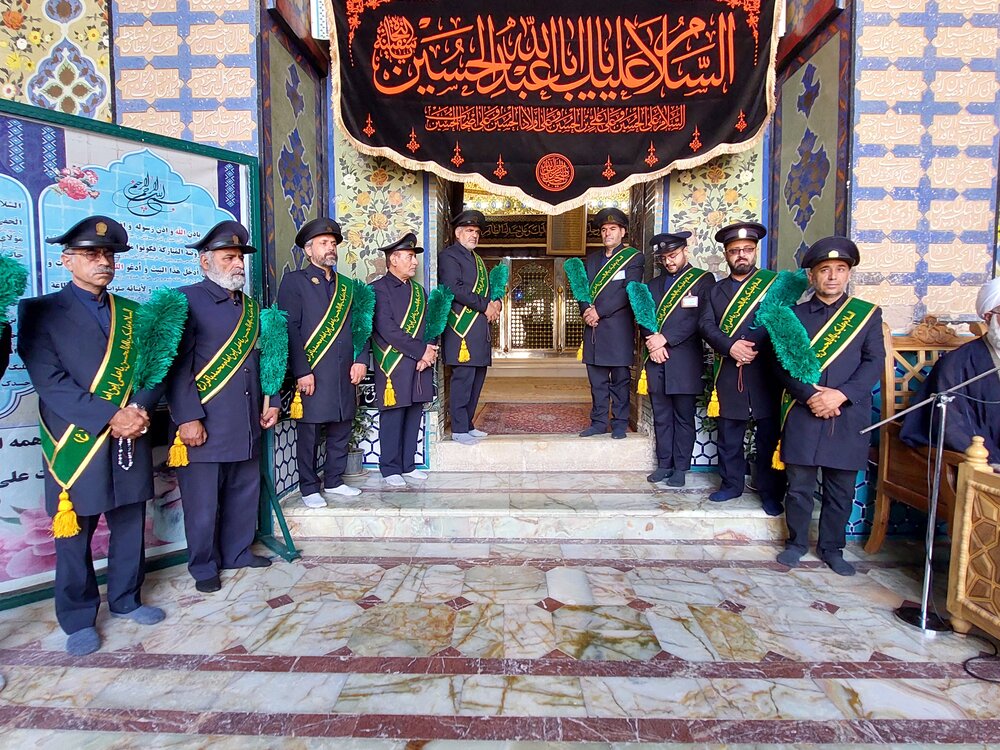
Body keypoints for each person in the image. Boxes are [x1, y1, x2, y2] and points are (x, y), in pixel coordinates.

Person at [18, 216, 165, 655]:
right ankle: (78, 617)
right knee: (74, 532)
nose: (102, 261)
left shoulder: (134, 313)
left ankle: (126, 599)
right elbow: (50, 381)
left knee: (129, 523)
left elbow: (154, 370)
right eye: (90, 254)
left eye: (108, 255)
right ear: (67, 261)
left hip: (129, 435)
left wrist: (139, 408)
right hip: (75, 440)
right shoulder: (40, 311)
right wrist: (110, 416)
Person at [166, 221, 278, 593]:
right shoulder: (185, 300)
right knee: (203, 503)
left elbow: (265, 359)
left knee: (243, 493)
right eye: (228, 257)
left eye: (239, 258)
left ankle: (237, 552)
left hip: (246, 419)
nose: (238, 264)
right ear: (205, 262)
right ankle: (203, 566)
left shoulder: (251, 308)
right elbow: (176, 367)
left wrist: (273, 400)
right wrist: (188, 418)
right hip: (205, 423)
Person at [772, 236, 884, 575]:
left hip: (847, 414)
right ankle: (796, 543)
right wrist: (810, 396)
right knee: (799, 486)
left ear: (849, 273)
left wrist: (840, 395)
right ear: (811, 276)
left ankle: (833, 548)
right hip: (803, 412)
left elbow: (874, 362)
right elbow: (782, 365)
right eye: (824, 270)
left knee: (841, 489)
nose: (832, 276)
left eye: (840, 269)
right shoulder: (792, 316)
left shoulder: (866, 316)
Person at [277, 218, 369, 507]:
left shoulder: (347, 286)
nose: (330, 248)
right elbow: (290, 329)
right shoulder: (294, 282)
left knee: (342, 425)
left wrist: (361, 359)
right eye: (323, 243)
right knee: (310, 432)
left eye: (333, 243)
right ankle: (308, 487)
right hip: (313, 372)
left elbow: (361, 326)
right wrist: (301, 371)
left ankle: (334, 480)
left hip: (344, 371)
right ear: (308, 250)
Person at [699, 221, 785, 514]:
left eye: (747, 249)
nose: (741, 255)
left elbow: (781, 319)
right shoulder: (715, 291)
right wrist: (730, 346)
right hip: (729, 369)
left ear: (755, 251)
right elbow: (706, 325)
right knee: (729, 433)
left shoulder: (773, 285)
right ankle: (731, 485)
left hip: (765, 371)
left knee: (768, 435)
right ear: (726, 254)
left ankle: (770, 492)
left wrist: (750, 346)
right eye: (735, 250)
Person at [640, 232, 716, 487]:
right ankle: (664, 465)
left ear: (685, 251)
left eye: (673, 255)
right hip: (656, 360)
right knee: (661, 416)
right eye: (664, 258)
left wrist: (665, 339)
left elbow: (699, 320)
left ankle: (681, 468)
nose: (668, 262)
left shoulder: (703, 280)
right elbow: (644, 317)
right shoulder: (652, 285)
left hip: (684, 361)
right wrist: (652, 342)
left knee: (683, 416)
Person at [901, 277, 1000, 464]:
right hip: (985, 462)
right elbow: (952, 425)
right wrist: (990, 461)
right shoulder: (958, 363)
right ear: (988, 317)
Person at [371, 232, 436, 487]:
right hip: (394, 363)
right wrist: (421, 351)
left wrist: (428, 352)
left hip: (419, 363)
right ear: (394, 259)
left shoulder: (419, 291)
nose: (415, 262)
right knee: (394, 414)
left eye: (414, 257)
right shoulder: (378, 289)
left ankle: (408, 465)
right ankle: (390, 468)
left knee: (414, 412)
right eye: (410, 256)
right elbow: (387, 329)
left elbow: (431, 324)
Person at [578, 207, 644, 439]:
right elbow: (582, 290)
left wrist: (599, 311)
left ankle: (619, 423)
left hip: (618, 330)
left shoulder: (634, 258)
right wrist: (586, 310)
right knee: (597, 382)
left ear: (622, 232)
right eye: (604, 229)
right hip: (594, 330)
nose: (607, 233)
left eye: (613, 229)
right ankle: (598, 423)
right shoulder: (592, 259)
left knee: (620, 381)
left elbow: (628, 292)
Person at [439, 209, 500, 445]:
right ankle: (459, 428)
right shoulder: (450, 256)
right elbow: (455, 288)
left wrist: (496, 303)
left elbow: (487, 291)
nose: (474, 235)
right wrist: (485, 306)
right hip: (461, 331)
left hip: (479, 330)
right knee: (463, 380)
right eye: (469, 230)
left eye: (476, 232)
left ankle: (468, 424)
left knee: (476, 379)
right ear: (458, 233)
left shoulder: (477, 259)